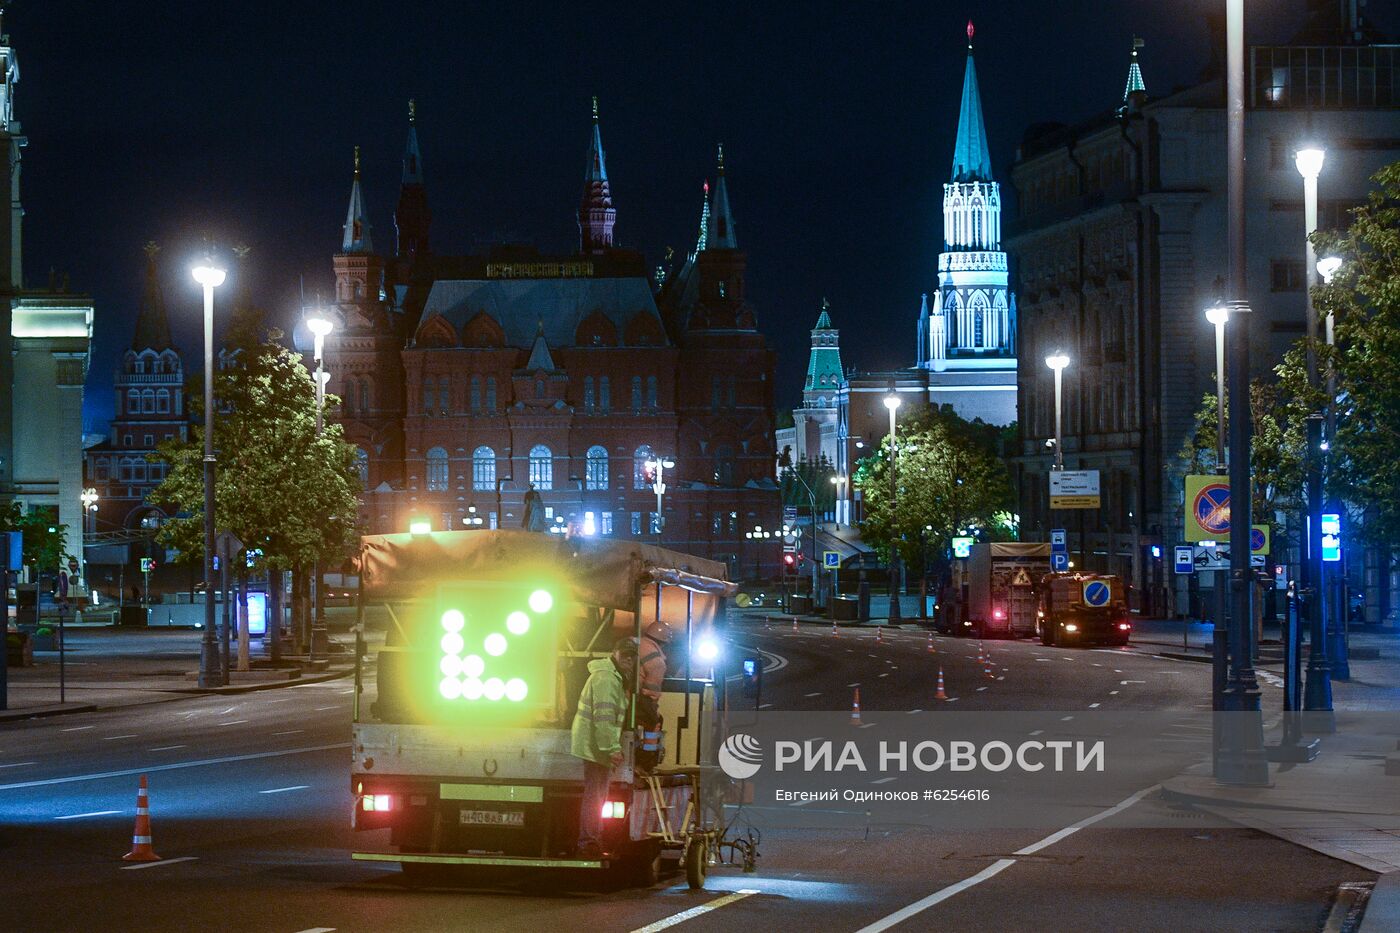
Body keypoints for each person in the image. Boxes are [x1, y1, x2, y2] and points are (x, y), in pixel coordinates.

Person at [570, 637, 637, 859]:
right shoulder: (607, 678)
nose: (628, 660)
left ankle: (591, 840)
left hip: (595, 745)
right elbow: (604, 717)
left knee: (597, 795)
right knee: (595, 796)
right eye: (625, 655)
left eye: (632, 656)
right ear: (615, 653)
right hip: (596, 747)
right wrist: (611, 749)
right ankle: (589, 842)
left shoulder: (613, 676)